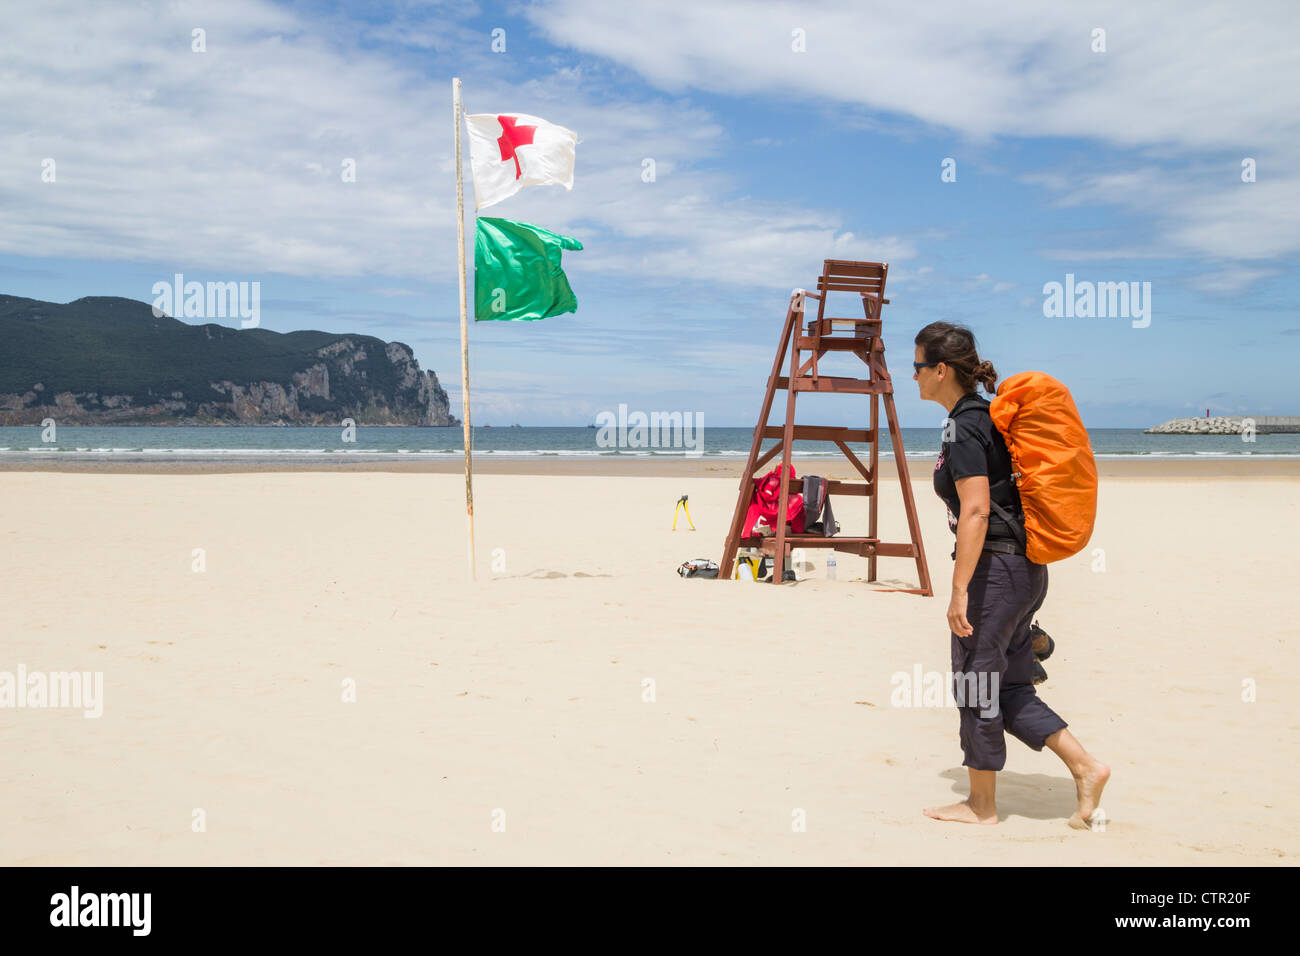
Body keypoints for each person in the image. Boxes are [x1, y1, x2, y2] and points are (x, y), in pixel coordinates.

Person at [912, 322, 1109, 827]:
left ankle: (981, 806)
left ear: (940, 369)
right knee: (1011, 687)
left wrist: (959, 591)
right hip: (1026, 571)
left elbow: (975, 510)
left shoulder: (963, 425)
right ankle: (1086, 768)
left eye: (916, 367)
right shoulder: (989, 418)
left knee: (977, 683)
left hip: (994, 574)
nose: (911, 378)